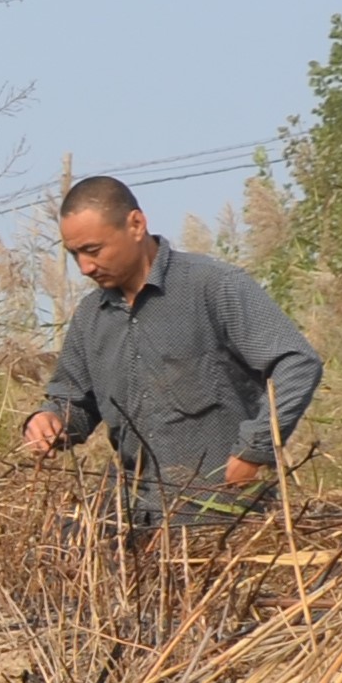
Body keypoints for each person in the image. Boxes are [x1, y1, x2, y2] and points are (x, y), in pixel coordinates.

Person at [19, 173, 323, 528]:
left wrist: (254, 450)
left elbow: (296, 362)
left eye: (93, 250)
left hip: (223, 525)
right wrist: (49, 419)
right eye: (75, 255)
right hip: (136, 527)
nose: (85, 267)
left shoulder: (213, 286)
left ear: (136, 224)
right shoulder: (90, 317)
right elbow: (74, 402)